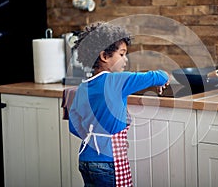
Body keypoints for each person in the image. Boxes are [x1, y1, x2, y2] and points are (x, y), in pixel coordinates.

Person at [67, 21, 170, 187]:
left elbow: (73, 126)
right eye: (121, 54)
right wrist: (162, 78)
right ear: (104, 56)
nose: (125, 60)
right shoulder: (117, 81)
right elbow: (159, 76)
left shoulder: (81, 88)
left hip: (85, 160)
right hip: (108, 162)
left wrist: (94, 138)